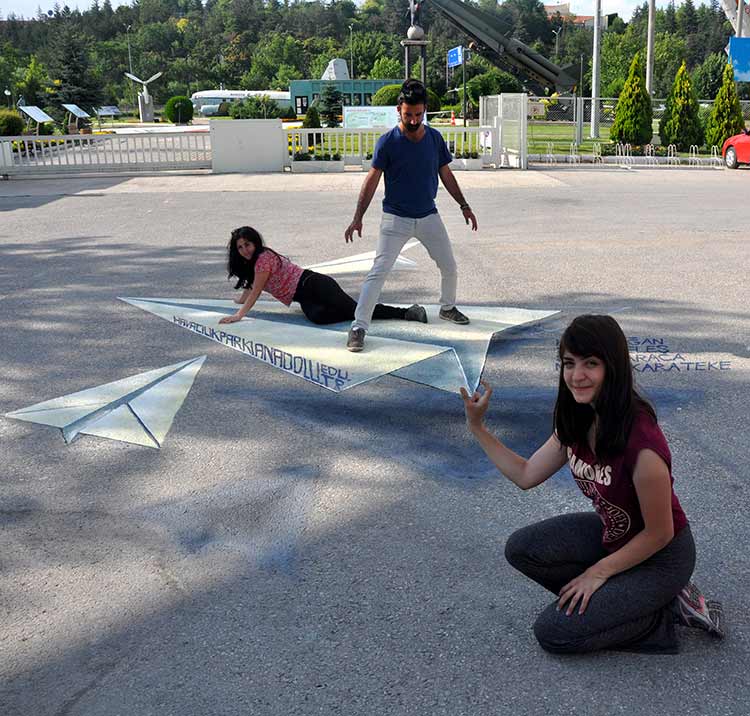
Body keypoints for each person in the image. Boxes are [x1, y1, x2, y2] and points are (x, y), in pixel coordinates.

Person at [460, 314, 725, 654]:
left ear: (612, 367)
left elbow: (660, 533)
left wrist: (598, 573)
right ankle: (620, 602)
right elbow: (526, 475)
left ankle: (667, 610)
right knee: (522, 549)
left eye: (591, 363)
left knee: (554, 633)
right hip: (614, 535)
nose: (577, 375)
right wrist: (477, 428)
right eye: (569, 363)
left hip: (662, 557)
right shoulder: (577, 419)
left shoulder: (642, 444)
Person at [343, 79, 478, 353]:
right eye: (408, 115)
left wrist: (464, 204)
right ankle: (358, 327)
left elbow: (446, 174)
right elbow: (370, 181)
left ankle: (448, 308)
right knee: (378, 273)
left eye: (418, 114)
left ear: (425, 110)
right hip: (395, 220)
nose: (414, 120)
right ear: (398, 110)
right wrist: (358, 217)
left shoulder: (435, 138)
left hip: (429, 216)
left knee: (449, 266)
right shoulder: (388, 142)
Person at [218, 226, 428, 327]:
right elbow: (252, 284)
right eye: (240, 247)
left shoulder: (263, 258)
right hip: (305, 297)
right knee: (319, 317)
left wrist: (239, 314)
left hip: (314, 284)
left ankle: (407, 312)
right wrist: (240, 299)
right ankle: (353, 312)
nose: (244, 249)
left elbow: (256, 290)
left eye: (247, 244)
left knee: (356, 310)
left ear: (255, 242)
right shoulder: (252, 263)